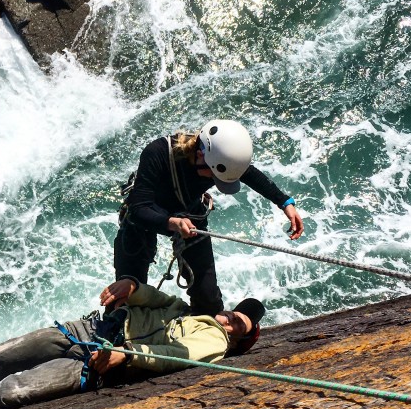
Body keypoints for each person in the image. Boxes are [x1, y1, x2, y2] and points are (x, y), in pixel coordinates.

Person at [0, 276, 265, 409]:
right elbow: (151, 296)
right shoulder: (184, 310)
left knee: (13, 390)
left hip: (102, 362)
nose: (228, 321)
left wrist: (126, 357)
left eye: (237, 326)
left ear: (236, 339)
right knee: (7, 353)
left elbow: (177, 359)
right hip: (87, 331)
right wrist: (130, 287)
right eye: (232, 315)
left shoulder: (214, 342)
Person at [115, 119, 302, 316]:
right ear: (200, 155)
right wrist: (171, 223)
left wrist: (285, 203)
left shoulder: (221, 160)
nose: (214, 181)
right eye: (213, 176)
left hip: (189, 214)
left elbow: (249, 174)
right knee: (124, 295)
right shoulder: (158, 152)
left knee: (208, 301)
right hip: (143, 218)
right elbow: (139, 208)